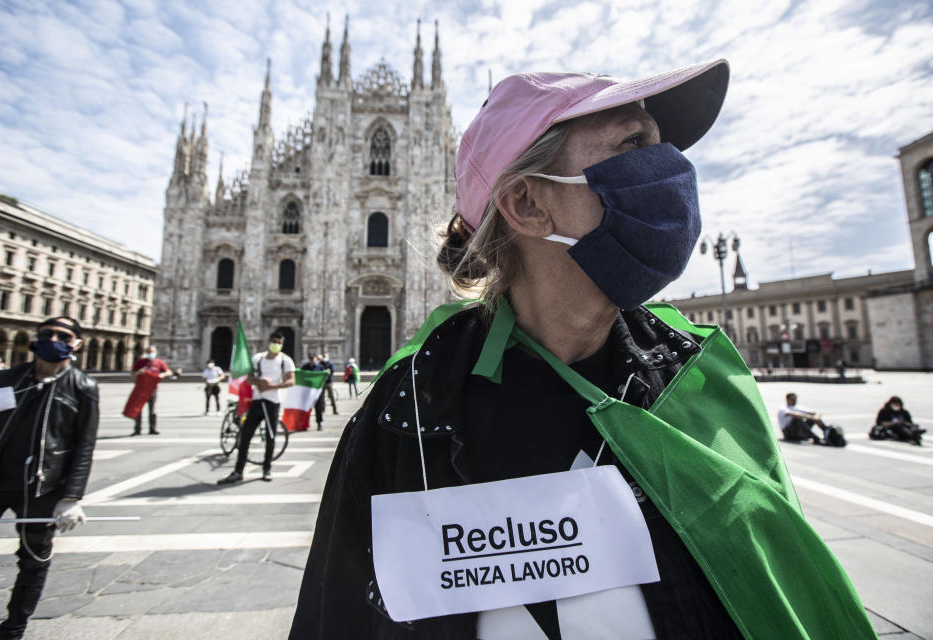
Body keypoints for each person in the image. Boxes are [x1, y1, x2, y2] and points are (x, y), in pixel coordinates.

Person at [290, 62, 873, 639]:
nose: (668, 167)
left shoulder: (697, 373)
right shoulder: (413, 404)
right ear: (527, 204)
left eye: (660, 142)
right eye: (632, 143)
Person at [0, 317, 98, 640]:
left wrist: (72, 497)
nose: (54, 339)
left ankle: (13, 629)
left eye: (63, 335)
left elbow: (83, 447)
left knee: (33, 560)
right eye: (47, 334)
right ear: (35, 338)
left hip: (41, 488)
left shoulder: (83, 387)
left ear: (77, 344)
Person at [218, 331, 295, 484]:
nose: (276, 345)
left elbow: (291, 381)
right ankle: (238, 471)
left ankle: (267, 469)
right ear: (269, 341)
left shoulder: (285, 361)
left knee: (270, 437)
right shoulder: (257, 358)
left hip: (272, 402)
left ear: (282, 343)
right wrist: (259, 382)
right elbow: (249, 378)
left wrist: (272, 386)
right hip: (257, 402)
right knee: (245, 436)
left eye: (279, 342)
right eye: (274, 341)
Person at [129, 345, 172, 435]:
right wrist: (138, 372)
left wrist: (162, 375)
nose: (150, 354)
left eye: (152, 352)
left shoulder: (159, 362)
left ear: (155, 353)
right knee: (138, 409)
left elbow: (168, 372)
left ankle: (152, 429)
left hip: (152, 389)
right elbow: (132, 374)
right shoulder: (140, 362)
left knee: (152, 410)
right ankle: (137, 429)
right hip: (141, 389)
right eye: (149, 352)